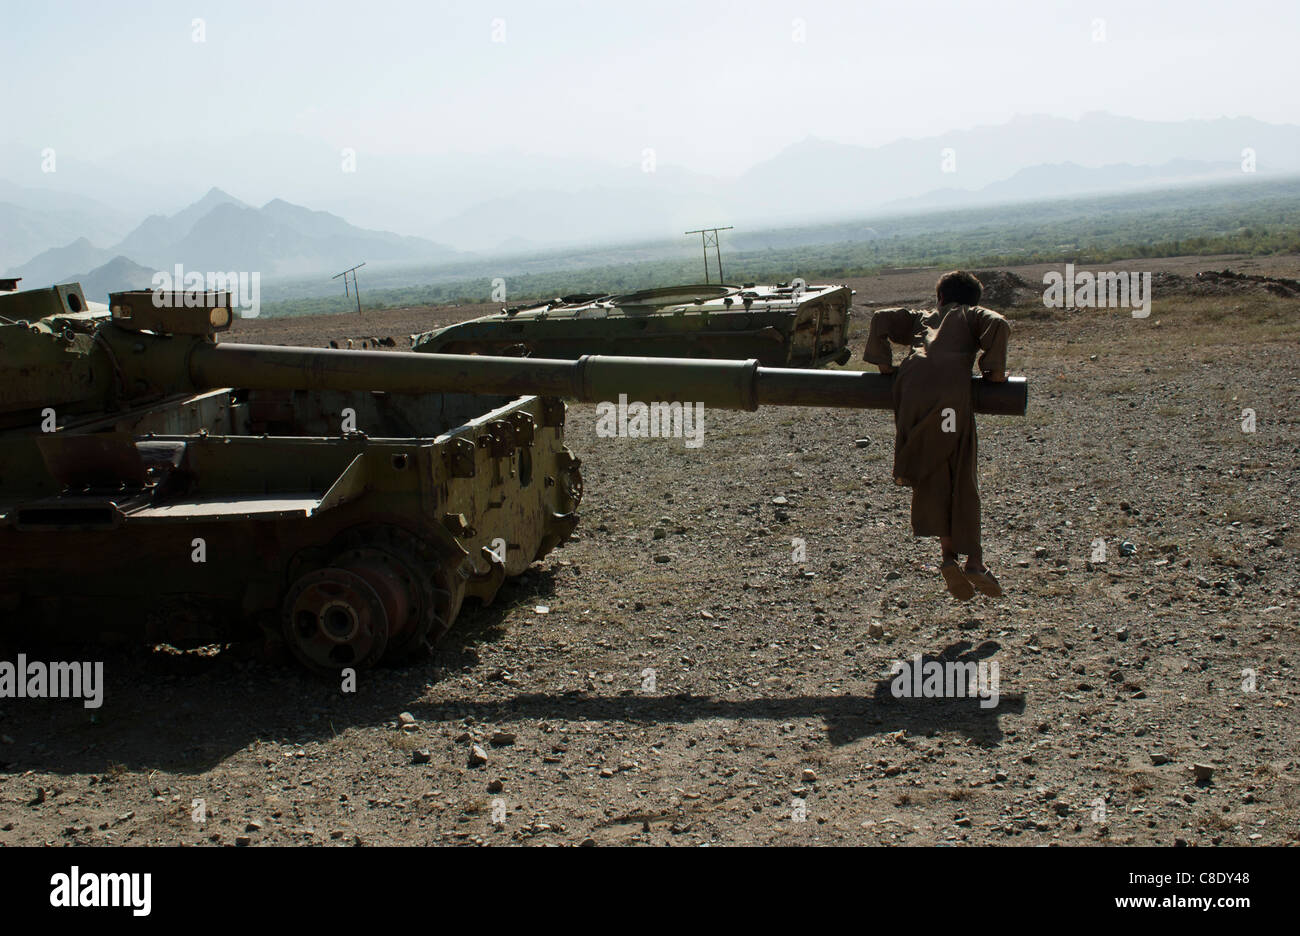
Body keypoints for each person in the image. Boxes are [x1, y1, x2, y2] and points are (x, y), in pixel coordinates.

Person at [861, 270, 1010, 600]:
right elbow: (998, 323)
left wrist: (884, 365)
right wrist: (994, 371)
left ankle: (947, 558)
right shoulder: (971, 315)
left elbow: (881, 317)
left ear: (940, 297)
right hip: (948, 401)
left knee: (933, 472)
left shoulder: (922, 317)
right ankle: (974, 561)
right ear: (972, 300)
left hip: (910, 391)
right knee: (960, 471)